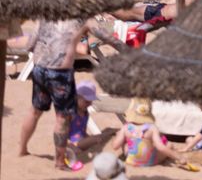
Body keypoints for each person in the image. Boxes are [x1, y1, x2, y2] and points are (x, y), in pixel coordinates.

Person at [18, 19, 125, 170]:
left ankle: (22, 149)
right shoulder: (81, 17)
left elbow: (30, 44)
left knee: (35, 111)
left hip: (39, 67)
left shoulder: (47, 14)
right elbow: (106, 37)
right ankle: (60, 162)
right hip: (60, 73)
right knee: (62, 118)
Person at [110, 98, 186, 168]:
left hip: (131, 160)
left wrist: (120, 136)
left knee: (125, 143)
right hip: (149, 161)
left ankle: (131, 153)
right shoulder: (152, 128)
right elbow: (160, 147)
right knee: (168, 145)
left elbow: (115, 146)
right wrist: (179, 157)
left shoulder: (126, 127)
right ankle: (169, 148)